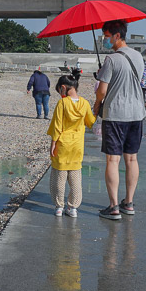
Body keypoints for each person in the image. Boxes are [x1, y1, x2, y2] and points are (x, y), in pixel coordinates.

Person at [93, 19, 146, 220]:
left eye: (106, 36)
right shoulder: (138, 56)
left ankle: (114, 206)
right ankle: (129, 203)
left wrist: (96, 107)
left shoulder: (111, 60)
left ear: (117, 36)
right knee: (132, 158)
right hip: (137, 113)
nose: (104, 40)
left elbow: (102, 91)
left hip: (115, 114)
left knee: (112, 160)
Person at [47, 75, 96, 217]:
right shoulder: (85, 103)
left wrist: (53, 143)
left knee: (59, 177)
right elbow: (90, 122)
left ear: (63, 87)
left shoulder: (62, 103)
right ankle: (73, 207)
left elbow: (57, 125)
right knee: (75, 177)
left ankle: (59, 206)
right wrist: (96, 109)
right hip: (77, 146)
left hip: (62, 145)